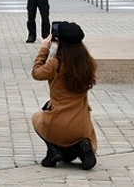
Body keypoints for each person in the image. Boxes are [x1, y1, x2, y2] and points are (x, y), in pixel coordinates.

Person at [31, 21, 98, 170]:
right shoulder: (89, 63)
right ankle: (81, 147)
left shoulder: (56, 63)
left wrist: (44, 49)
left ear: (59, 41)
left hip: (57, 123)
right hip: (81, 127)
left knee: (36, 118)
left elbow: (36, 73)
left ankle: (53, 151)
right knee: (69, 154)